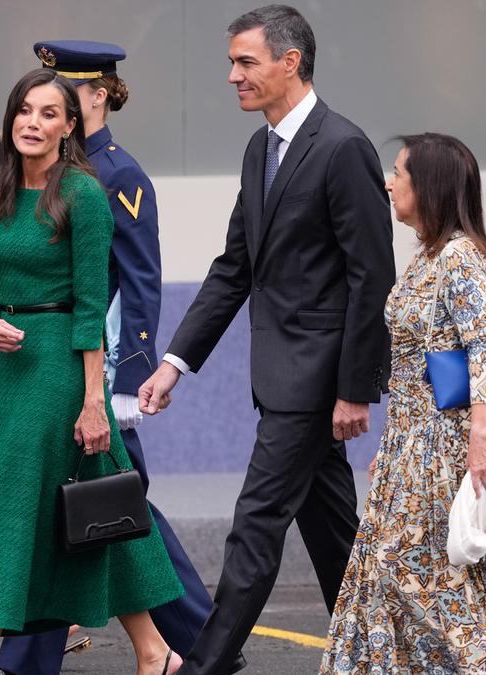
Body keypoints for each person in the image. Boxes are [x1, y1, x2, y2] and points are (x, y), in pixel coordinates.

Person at [138, 5, 395, 673]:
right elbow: (235, 268)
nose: (232, 76)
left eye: (245, 62)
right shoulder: (262, 148)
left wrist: (354, 389)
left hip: (313, 385)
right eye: (231, 62)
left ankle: (206, 663)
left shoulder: (343, 148)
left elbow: (373, 278)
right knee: (338, 535)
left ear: (291, 62)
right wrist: (175, 361)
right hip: (279, 378)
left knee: (254, 527)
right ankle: (385, 654)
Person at [0, 41, 233, 675]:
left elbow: (138, 279)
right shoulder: (41, 169)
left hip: (99, 369)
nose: (48, 109)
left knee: (113, 507)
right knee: (108, 507)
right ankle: (196, 643)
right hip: (49, 368)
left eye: (66, 94)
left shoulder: (117, 174)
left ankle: (193, 643)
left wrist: (128, 377)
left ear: (97, 97)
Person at [0, 68, 185, 675]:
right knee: (82, 514)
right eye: (24, 111)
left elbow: (89, 306)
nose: (32, 123)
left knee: (8, 505)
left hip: (61, 369)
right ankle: (155, 651)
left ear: (70, 127)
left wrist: (93, 402)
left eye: (48, 113)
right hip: (12, 369)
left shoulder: (82, 194)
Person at [320, 133, 486, 673]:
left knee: (425, 576)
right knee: (388, 571)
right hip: (407, 446)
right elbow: (410, 366)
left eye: (399, 172)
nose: (388, 181)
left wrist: (480, 440)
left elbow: (482, 347)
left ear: (430, 186)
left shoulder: (459, 257)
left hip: (440, 449)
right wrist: (391, 445)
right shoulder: (425, 255)